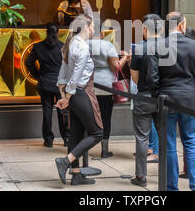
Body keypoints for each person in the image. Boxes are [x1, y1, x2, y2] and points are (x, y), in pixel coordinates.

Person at [147, 12, 195, 191]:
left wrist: (157, 95)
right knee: (190, 141)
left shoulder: (159, 46)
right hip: (188, 98)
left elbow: (152, 76)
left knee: (169, 143)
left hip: (166, 98)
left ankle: (172, 187)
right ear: (182, 24)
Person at [54, 15, 103, 186]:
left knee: (76, 134)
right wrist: (67, 97)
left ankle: (76, 175)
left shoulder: (70, 43)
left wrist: (64, 95)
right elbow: (75, 77)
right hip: (81, 94)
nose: (94, 30)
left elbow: (62, 75)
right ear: (87, 27)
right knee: (97, 133)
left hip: (74, 95)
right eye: (93, 27)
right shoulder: (81, 46)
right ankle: (65, 161)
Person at [129, 13, 163, 187]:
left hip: (143, 96)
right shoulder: (169, 47)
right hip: (163, 98)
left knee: (142, 138)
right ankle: (166, 175)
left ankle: (141, 176)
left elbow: (134, 78)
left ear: (144, 29)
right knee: (166, 136)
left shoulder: (138, 48)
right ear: (162, 28)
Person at [88, 20, 130, 158]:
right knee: (106, 117)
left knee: (89, 116)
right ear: (101, 33)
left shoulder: (84, 45)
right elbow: (116, 67)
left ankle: (84, 149)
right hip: (106, 86)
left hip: (90, 84)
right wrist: (125, 57)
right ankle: (104, 150)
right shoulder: (107, 45)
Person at [25, 23, 70, 147]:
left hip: (45, 82)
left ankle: (48, 140)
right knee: (63, 111)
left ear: (46, 32)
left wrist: (38, 75)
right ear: (58, 32)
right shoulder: (63, 46)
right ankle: (66, 138)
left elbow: (29, 63)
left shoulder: (38, 47)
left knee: (47, 111)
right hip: (60, 85)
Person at [179, 27, 195, 179]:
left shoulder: (188, 54)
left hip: (193, 98)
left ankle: (192, 170)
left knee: (191, 137)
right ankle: (193, 168)